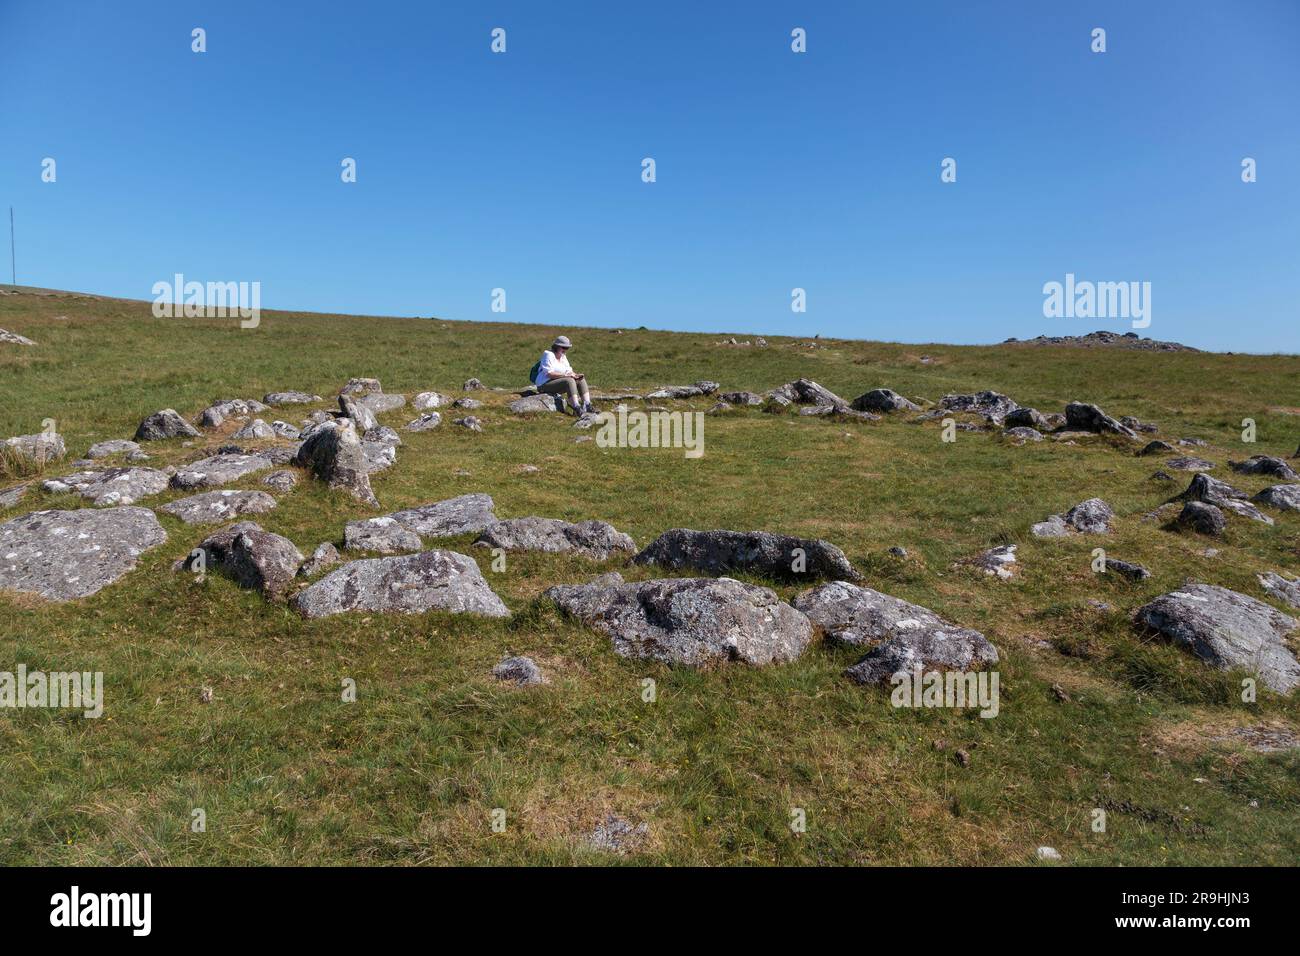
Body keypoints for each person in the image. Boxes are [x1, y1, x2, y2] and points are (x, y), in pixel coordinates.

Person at [534, 335, 595, 414]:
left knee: (580, 380)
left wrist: (576, 375)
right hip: (544, 384)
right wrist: (566, 375)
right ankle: (576, 407)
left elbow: (569, 371)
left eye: (567, 348)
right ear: (557, 346)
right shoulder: (548, 354)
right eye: (564, 347)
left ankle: (587, 405)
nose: (565, 350)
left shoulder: (563, 357)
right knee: (569, 380)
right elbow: (549, 373)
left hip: (557, 383)